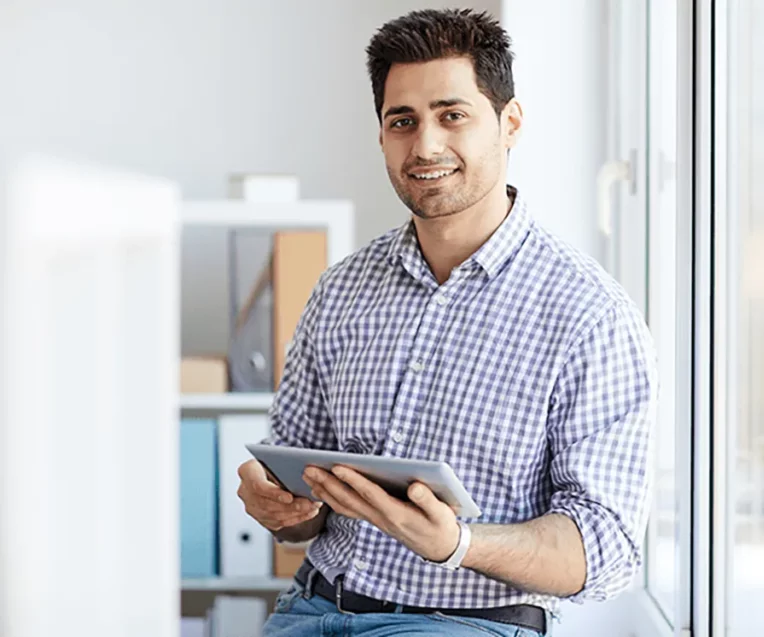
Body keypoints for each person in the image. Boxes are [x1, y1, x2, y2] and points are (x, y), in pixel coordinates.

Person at [235, 9, 658, 637]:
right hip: (312, 608)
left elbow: (605, 547)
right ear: (381, 136)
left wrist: (457, 544)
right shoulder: (342, 289)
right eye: (402, 121)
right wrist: (279, 505)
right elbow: (304, 507)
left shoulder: (589, 315)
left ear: (509, 123)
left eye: (451, 115)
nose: (426, 145)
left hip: (468, 624)